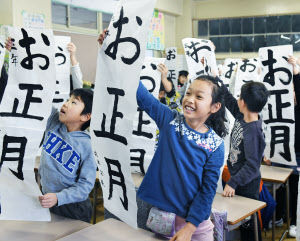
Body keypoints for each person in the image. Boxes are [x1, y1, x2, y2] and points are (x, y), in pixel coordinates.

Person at [136, 74, 227, 241]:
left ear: (214, 107)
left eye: (199, 96)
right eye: (188, 93)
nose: (190, 99)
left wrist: (190, 228)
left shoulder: (215, 145)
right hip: (160, 220)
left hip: (194, 226)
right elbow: (143, 97)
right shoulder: (169, 120)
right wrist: (120, 53)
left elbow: (207, 191)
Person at [219, 75, 269, 240]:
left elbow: (252, 165)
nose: (238, 100)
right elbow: (230, 101)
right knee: (241, 223)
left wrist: (233, 183)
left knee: (249, 225)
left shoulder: (253, 131)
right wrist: (217, 80)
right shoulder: (243, 116)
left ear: (244, 103)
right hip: (237, 179)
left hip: (246, 184)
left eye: (240, 97)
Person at [38, 88, 96, 223]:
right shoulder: (54, 123)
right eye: (67, 100)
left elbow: (86, 185)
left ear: (85, 116)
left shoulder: (88, 145)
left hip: (74, 209)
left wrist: (59, 198)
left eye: (74, 102)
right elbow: (41, 99)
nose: (66, 104)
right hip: (48, 201)